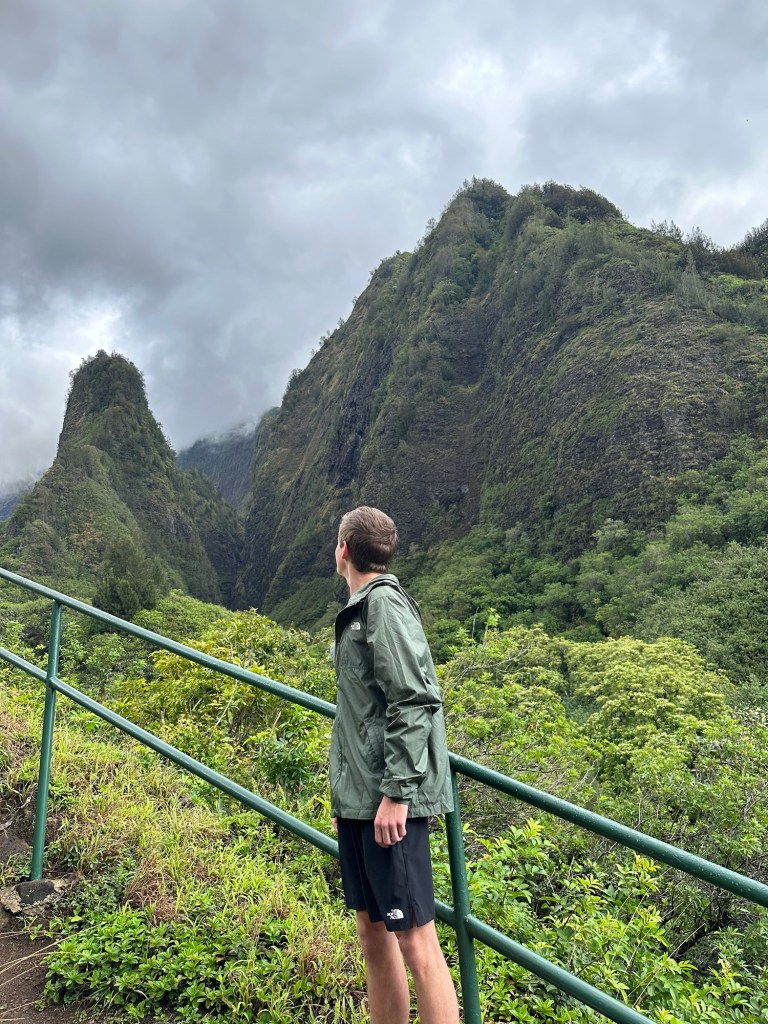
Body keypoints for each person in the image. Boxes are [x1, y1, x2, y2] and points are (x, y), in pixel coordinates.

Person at [330, 506, 460, 1024]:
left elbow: (415, 700)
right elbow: (360, 714)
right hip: (364, 797)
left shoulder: (383, 606)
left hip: (390, 801)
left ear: (343, 549)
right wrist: (348, 798)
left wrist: (396, 794)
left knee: (416, 941)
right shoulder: (363, 607)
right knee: (372, 931)